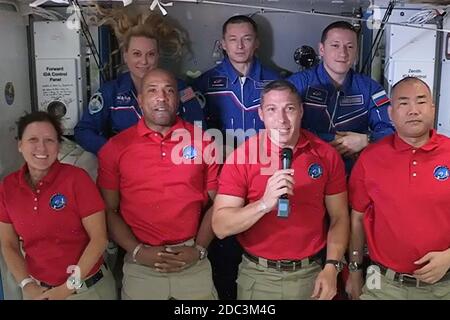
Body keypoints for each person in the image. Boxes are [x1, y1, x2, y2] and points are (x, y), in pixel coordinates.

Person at [212, 80, 349, 300]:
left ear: (301, 111)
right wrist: (264, 204)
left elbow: (339, 216)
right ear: (261, 114)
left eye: (290, 109)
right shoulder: (242, 156)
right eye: (272, 110)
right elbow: (220, 226)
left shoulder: (325, 155)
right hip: (259, 276)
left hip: (312, 275)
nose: (282, 120)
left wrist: (332, 266)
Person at [97, 68, 219, 300]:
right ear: (140, 100)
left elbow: (218, 203)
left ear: (178, 98)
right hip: (141, 265)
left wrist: (199, 249)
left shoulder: (203, 142)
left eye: (168, 90)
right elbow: (107, 210)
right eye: (152, 90)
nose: (161, 97)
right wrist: (136, 251)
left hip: (192, 262)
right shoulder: (116, 148)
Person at [194, 15, 280, 300]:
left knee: (263, 247)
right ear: (223, 44)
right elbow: (195, 132)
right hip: (221, 182)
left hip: (266, 178)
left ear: (257, 43)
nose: (240, 45)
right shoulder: (203, 83)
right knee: (225, 256)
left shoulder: (278, 82)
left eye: (246, 38)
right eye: (233, 39)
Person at [348, 77, 450, 300]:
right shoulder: (370, 158)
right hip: (382, 285)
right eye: (404, 103)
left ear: (433, 108)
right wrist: (354, 271)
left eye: (421, 102)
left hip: (443, 287)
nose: (413, 110)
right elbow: (357, 219)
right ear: (390, 113)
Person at [0, 111, 116, 300]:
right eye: (33, 140)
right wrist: (27, 285)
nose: (41, 147)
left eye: (49, 140)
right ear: (20, 145)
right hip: (39, 293)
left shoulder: (77, 179)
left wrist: (67, 288)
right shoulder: (7, 187)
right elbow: (8, 244)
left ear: (58, 145)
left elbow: (99, 239)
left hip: (86, 291)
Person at [75, 9, 204, 156]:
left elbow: (199, 128)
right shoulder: (111, 92)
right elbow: (83, 131)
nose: (144, 61)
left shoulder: (180, 89)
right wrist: (113, 151)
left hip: (170, 163)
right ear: (125, 56)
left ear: (158, 56)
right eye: (137, 54)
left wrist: (182, 155)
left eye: (150, 54)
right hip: (125, 166)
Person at [288, 21, 394, 172]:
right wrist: (327, 140)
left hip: (352, 174)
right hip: (305, 170)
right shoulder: (298, 84)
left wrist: (366, 140)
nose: (343, 53)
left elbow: (391, 131)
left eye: (350, 47)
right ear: (322, 49)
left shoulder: (370, 88)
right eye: (335, 45)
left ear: (356, 52)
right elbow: (280, 126)